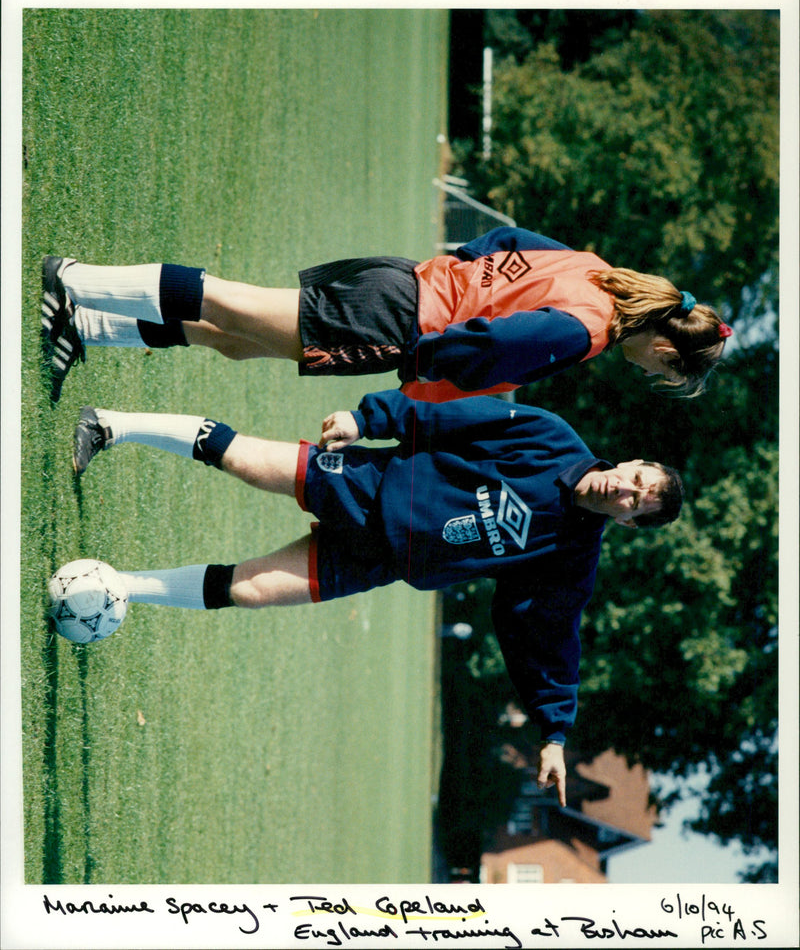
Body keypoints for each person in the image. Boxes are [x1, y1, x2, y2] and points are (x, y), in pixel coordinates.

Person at [65, 389, 684, 805]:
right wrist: (372, 419)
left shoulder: (570, 559)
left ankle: (117, 589)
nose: (625, 490)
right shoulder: (549, 438)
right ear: (631, 462)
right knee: (247, 461)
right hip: (371, 485)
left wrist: (554, 731)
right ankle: (111, 425)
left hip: (381, 561)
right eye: (636, 478)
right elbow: (452, 417)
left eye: (637, 501)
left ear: (629, 522)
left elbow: (548, 636)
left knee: (252, 590)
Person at [40, 226, 733, 403]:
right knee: (231, 301)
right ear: (667, 350)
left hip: (400, 284)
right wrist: (422, 371)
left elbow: (501, 242)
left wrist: (456, 270)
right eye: (662, 373)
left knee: (238, 342)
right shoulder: (587, 332)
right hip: (400, 325)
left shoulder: (595, 268)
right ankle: (75, 280)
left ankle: (89, 325)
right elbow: (488, 346)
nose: (649, 372)